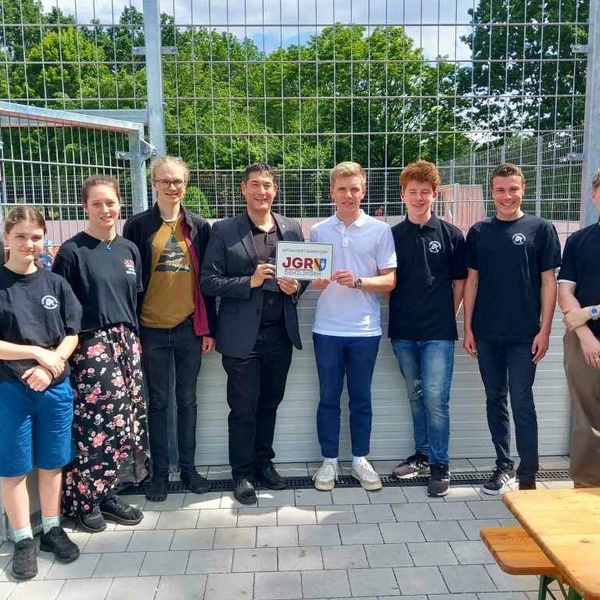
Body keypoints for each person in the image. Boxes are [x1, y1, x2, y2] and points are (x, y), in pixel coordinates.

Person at [201, 163, 306, 505]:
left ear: (275, 190)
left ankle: (264, 463)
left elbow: (303, 275)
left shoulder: (290, 228)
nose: (263, 191)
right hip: (242, 336)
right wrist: (251, 281)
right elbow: (209, 282)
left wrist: (294, 287)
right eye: (256, 185)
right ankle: (242, 473)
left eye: (268, 186)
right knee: (243, 408)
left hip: (279, 334)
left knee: (270, 403)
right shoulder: (225, 230)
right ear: (243, 189)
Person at [53, 175, 149, 532]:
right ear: (85, 208)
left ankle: (107, 490)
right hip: (91, 343)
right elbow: (64, 310)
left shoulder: (129, 249)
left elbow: (133, 297)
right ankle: (82, 499)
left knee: (124, 420)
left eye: (110, 202)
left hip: (127, 340)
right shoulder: (72, 251)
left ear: (120, 203)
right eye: (96, 203)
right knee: (95, 422)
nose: (105, 210)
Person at [123, 156, 217, 502]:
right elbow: (130, 282)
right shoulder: (137, 226)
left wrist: (210, 329)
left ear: (185, 185)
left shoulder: (199, 226)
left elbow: (208, 281)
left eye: (178, 181)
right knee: (158, 402)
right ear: (154, 185)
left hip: (189, 328)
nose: (172, 187)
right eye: (165, 181)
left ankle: (188, 468)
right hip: (150, 329)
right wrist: (133, 331)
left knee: (188, 400)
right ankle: (160, 472)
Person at [463, 163, 561, 494]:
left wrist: (545, 330)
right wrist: (468, 328)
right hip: (487, 334)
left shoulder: (541, 229)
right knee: (495, 398)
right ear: (492, 192)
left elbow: (550, 283)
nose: (507, 196)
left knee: (522, 400)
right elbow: (471, 282)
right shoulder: (478, 232)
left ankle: (529, 473)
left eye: (513, 189)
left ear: (523, 189)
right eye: (501, 190)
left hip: (524, 335)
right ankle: (503, 465)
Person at [0, 206, 82, 579]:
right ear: (6, 238)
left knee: (52, 463)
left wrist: (51, 366)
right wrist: (35, 353)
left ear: (44, 238)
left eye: (35, 237)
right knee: (14, 468)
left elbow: (71, 333)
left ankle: (51, 528)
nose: (28, 244)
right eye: (20, 236)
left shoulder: (55, 284)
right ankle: (21, 539)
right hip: (10, 390)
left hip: (53, 387)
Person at [310, 161, 397, 492]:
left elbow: (390, 279)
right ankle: (329, 461)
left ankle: (360, 459)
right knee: (328, 397)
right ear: (332, 192)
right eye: (342, 189)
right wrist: (316, 280)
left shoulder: (380, 230)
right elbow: (313, 275)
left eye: (354, 188)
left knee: (361, 398)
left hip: (364, 330)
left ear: (364, 191)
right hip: (327, 328)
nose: (348, 195)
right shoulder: (319, 230)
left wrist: (359, 281)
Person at [389, 160, 467, 497]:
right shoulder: (391, 236)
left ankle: (440, 464)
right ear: (403, 195)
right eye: (413, 192)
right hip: (403, 330)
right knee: (415, 395)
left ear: (435, 195)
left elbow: (461, 282)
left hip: (438, 333)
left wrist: (448, 313)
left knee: (436, 398)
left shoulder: (451, 235)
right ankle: (421, 455)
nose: (419, 198)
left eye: (425, 192)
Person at [558, 167, 600, 488]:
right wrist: (585, 335)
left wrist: (591, 312)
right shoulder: (579, 240)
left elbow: (581, 310)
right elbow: (564, 291)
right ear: (594, 195)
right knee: (585, 418)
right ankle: (586, 488)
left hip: (587, 322)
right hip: (584, 345)